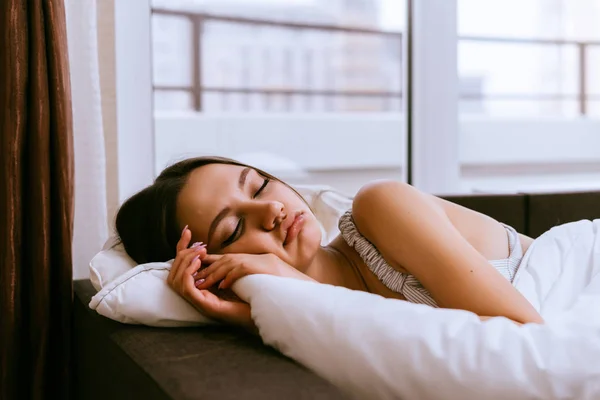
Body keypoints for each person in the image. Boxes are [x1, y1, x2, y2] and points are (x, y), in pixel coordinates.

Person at [115, 156, 544, 333]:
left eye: (260, 185)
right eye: (232, 229)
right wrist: (254, 315)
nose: (271, 211)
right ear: (211, 269)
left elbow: (526, 337)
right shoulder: (306, 324)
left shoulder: (380, 208)